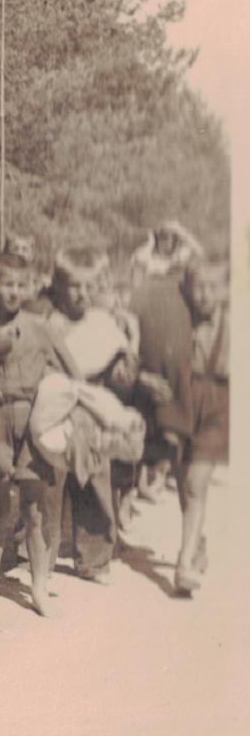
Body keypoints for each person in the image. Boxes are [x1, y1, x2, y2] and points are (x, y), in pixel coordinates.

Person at [0, 252, 80, 616]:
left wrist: (54, 402)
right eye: (7, 283)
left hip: (32, 422)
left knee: (34, 508)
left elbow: (71, 374)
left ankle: (39, 586)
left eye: (21, 285)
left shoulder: (41, 327)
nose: (14, 292)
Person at [132, 254, 228, 595]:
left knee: (196, 484)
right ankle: (196, 540)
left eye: (213, 287)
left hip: (219, 406)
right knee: (185, 480)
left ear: (225, 289)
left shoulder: (233, 325)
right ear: (187, 287)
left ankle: (183, 565)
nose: (205, 294)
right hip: (183, 402)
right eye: (199, 287)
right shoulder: (177, 318)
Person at [43, 248, 139, 585]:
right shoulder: (51, 323)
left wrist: (122, 365)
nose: (81, 294)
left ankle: (94, 559)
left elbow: (120, 370)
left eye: (88, 286)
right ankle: (37, 555)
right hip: (55, 408)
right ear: (59, 285)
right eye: (74, 286)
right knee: (48, 483)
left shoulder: (101, 323)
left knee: (96, 481)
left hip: (93, 409)